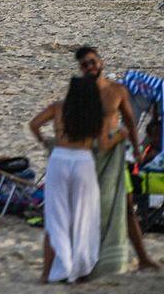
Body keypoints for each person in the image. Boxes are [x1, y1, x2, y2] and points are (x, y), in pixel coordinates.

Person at [29, 76, 125, 283]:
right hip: (82, 162)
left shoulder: (58, 108)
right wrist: (120, 135)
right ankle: (79, 272)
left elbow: (34, 124)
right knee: (83, 217)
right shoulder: (95, 114)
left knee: (56, 218)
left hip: (59, 160)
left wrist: (44, 141)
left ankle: (46, 274)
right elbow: (105, 145)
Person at [74, 46, 158, 275]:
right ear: (81, 69)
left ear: (100, 62)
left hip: (116, 156)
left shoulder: (118, 91)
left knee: (127, 208)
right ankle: (84, 261)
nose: (90, 67)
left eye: (93, 62)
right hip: (90, 155)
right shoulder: (81, 92)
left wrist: (137, 151)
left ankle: (143, 258)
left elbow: (131, 121)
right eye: (85, 65)